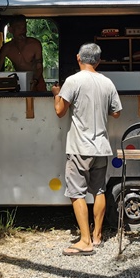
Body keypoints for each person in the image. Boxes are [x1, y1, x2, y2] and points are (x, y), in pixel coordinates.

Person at [51, 43, 122, 256]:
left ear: (78, 58)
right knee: (99, 190)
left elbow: (59, 111)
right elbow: (117, 112)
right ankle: (98, 236)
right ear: (99, 61)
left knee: (76, 192)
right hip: (101, 147)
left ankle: (85, 240)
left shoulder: (72, 81)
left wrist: (56, 93)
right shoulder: (107, 82)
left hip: (80, 147)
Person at [0, 15, 46, 91]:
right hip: (19, 82)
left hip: (37, 82)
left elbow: (39, 67)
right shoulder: (7, 48)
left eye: (24, 28)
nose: (23, 31)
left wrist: (35, 81)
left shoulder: (35, 44)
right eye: (19, 28)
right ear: (10, 30)